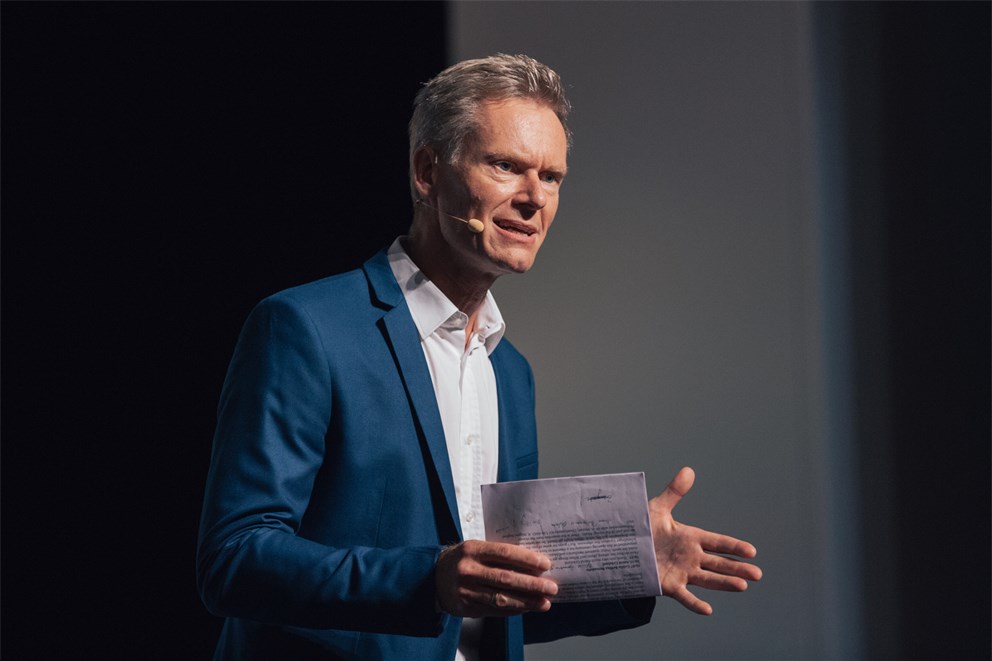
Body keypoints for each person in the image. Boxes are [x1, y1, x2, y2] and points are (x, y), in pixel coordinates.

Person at [196, 54, 762, 661]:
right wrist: (428, 579)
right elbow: (235, 558)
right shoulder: (306, 328)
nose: (533, 198)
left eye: (552, 177)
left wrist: (626, 565)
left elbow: (495, 605)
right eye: (506, 166)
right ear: (426, 172)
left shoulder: (510, 371)